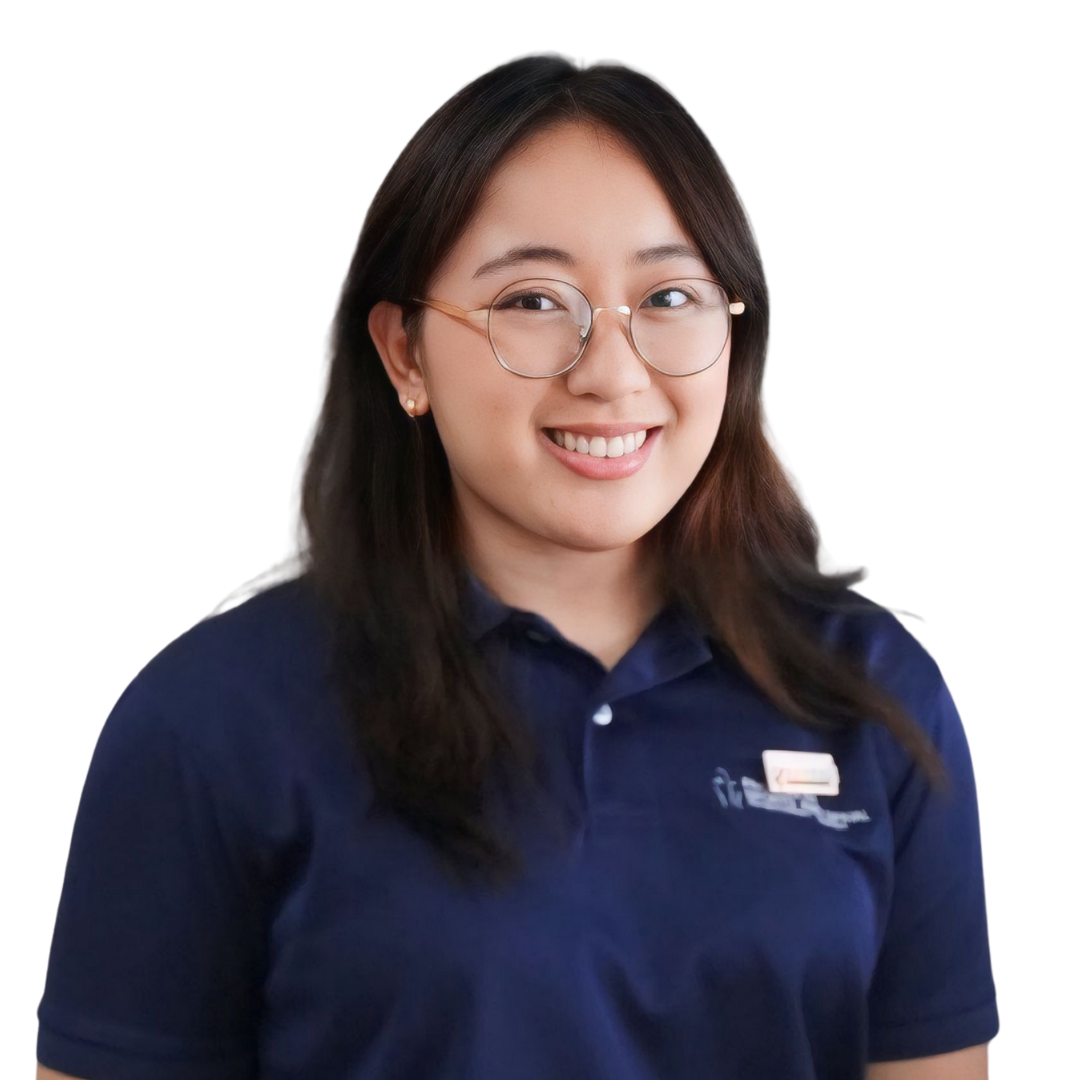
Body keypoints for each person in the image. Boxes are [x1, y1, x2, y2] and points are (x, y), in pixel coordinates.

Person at [35, 54, 999, 1080]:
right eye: (534, 303)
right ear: (405, 352)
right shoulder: (215, 717)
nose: (611, 372)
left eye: (669, 295)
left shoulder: (869, 696)